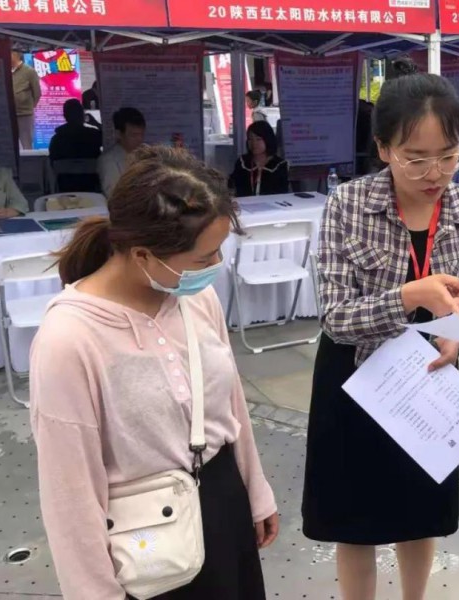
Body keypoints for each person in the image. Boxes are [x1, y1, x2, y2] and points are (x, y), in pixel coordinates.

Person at [30, 146, 279, 600]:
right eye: (204, 258)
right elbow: (69, 490)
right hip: (142, 533)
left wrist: (255, 490)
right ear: (143, 255)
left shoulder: (195, 297)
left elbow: (230, 403)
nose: (216, 267)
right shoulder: (69, 339)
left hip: (221, 498)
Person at [302, 65, 459, 600]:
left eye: (448, 155)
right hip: (355, 379)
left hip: (428, 383)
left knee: (420, 513)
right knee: (352, 521)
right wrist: (409, 296)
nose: (435, 172)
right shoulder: (350, 205)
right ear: (384, 148)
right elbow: (335, 318)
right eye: (416, 157)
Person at [48, 99, 103, 193]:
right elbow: (109, 139)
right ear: (82, 115)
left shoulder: (56, 140)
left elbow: (52, 163)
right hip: (92, 187)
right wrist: (96, 124)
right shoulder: (94, 136)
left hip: (65, 187)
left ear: (65, 116)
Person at [228, 121, 289, 197]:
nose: (254, 143)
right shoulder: (242, 162)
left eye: (258, 139)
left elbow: (283, 192)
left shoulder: (280, 165)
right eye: (250, 139)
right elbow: (232, 186)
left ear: (268, 139)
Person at [98, 107, 146, 197]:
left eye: (142, 134)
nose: (139, 139)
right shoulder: (108, 161)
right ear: (119, 134)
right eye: (134, 135)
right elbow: (114, 195)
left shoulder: (145, 155)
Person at [11, 50, 41, 150]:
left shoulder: (29, 71)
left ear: (16, 55)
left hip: (24, 114)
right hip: (8, 115)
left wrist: (29, 106)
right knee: (9, 144)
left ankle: (28, 160)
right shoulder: (5, 70)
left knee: (26, 144)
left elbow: (37, 93)